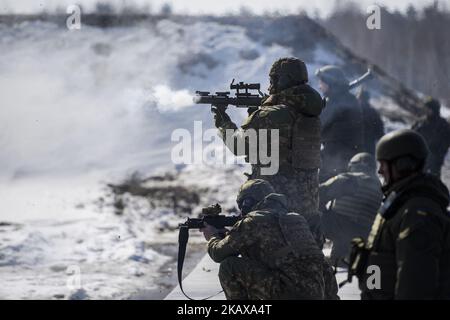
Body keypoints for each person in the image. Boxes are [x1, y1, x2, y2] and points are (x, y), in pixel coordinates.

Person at [212, 57, 324, 240]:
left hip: (276, 207)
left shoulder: (269, 115)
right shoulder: (310, 114)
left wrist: (222, 121)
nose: (270, 85)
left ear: (282, 80)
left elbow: (238, 146)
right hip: (308, 204)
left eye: (273, 80)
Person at [201, 179, 339, 300]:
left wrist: (212, 236)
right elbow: (319, 262)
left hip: (286, 293)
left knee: (229, 266)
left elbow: (218, 253)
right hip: (316, 294)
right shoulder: (296, 219)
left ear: (247, 202)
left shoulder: (254, 221)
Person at [359, 129, 450, 300]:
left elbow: (416, 285)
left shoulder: (418, 214)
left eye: (384, 164)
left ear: (402, 165)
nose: (380, 171)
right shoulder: (400, 206)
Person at [320, 153, 383, 266]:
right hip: (363, 235)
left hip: (340, 228)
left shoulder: (349, 178)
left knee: (311, 214)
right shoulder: (379, 186)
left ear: (354, 165)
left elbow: (319, 193)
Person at [315, 65, 364, 181]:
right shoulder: (346, 99)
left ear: (330, 83)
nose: (319, 86)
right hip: (345, 155)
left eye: (322, 82)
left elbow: (318, 125)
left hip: (335, 157)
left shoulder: (335, 102)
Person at [412, 97, 450, 178]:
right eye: (425, 108)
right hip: (419, 159)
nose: (426, 110)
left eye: (428, 108)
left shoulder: (443, 125)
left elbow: (446, 142)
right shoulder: (420, 122)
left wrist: (438, 156)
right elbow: (411, 136)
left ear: (434, 109)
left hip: (434, 162)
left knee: (433, 184)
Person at [356, 88, 384, 155]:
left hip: (360, 144)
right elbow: (379, 130)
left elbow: (379, 129)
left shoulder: (353, 111)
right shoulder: (372, 112)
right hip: (366, 144)